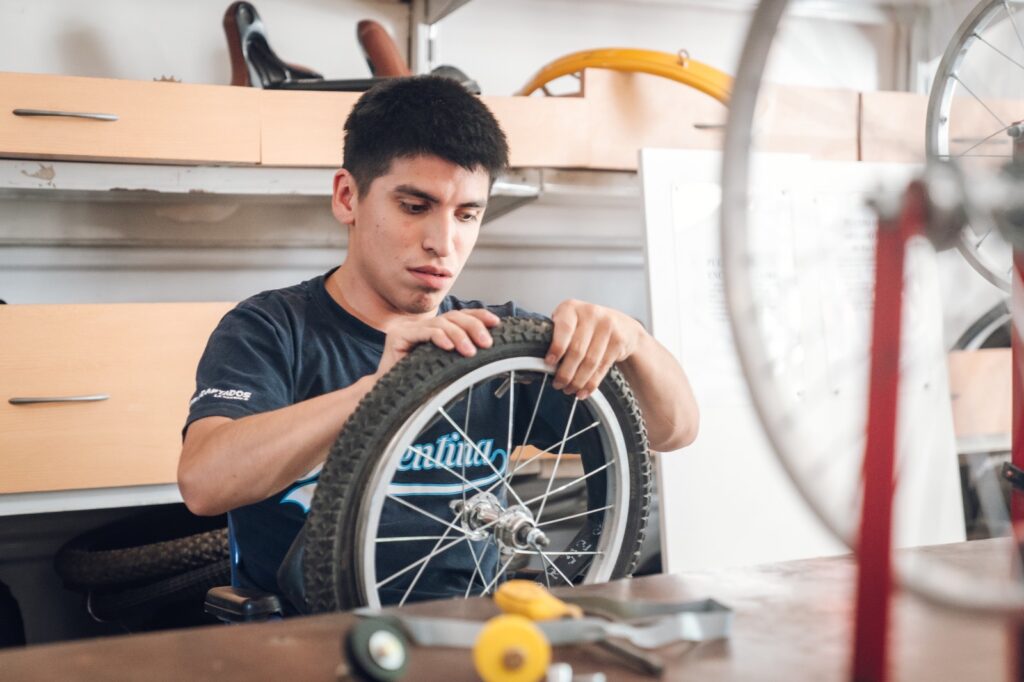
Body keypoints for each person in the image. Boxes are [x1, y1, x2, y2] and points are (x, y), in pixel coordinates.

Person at [178, 75, 698, 604]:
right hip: (312, 640)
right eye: (414, 206)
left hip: (468, 635)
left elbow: (672, 429)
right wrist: (376, 393)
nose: (442, 243)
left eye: (468, 214)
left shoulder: (494, 344)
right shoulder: (271, 328)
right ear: (347, 197)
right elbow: (205, 483)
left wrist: (633, 340)